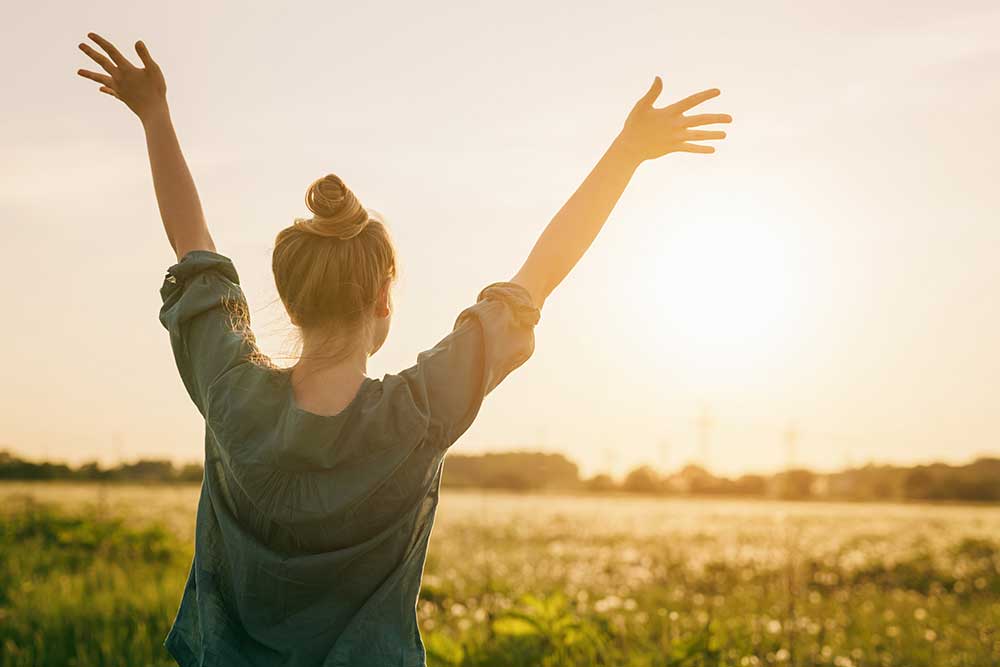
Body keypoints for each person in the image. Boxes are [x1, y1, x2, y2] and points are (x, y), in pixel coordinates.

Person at [77, 31, 732, 667]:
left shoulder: (229, 390)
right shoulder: (417, 412)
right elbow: (537, 276)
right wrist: (626, 153)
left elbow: (194, 250)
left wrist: (154, 113)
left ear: (290, 296)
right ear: (383, 301)